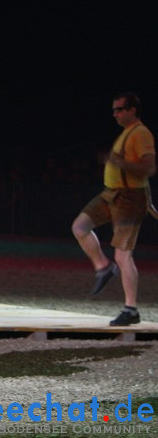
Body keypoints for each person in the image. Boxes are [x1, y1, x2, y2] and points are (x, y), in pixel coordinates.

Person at [72, 92, 155, 326]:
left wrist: (120, 163)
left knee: (123, 254)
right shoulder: (126, 134)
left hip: (129, 197)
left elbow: (149, 167)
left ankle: (131, 309)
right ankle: (103, 267)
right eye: (114, 110)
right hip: (111, 193)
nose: (115, 114)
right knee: (80, 226)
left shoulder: (140, 133)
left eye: (119, 109)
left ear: (132, 110)